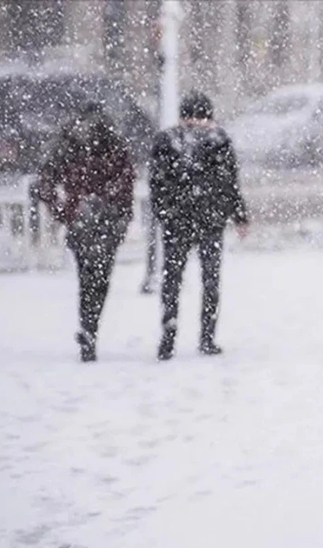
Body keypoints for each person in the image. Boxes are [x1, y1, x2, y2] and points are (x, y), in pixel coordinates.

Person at [150, 91, 249, 361]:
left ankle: (168, 334)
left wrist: (165, 213)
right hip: (210, 221)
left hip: (178, 222)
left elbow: (157, 183)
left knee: (172, 279)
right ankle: (207, 336)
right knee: (210, 280)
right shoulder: (218, 140)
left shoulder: (166, 140)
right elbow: (229, 183)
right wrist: (238, 215)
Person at [32, 101, 134, 362]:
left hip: (82, 220)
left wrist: (63, 210)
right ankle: (91, 327)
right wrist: (121, 215)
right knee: (99, 279)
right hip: (105, 220)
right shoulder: (113, 145)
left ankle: (88, 328)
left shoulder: (69, 143)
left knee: (87, 278)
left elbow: (45, 182)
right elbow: (125, 186)